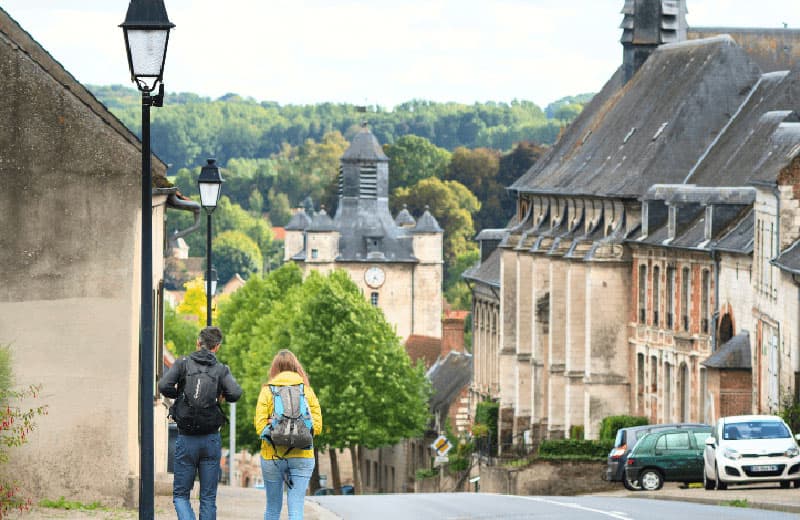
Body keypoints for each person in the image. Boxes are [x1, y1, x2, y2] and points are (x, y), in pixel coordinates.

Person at [158, 326, 242, 520]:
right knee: (208, 498)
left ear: (198, 342)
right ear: (217, 347)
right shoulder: (221, 370)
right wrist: (220, 395)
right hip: (211, 439)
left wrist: (179, 395)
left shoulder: (183, 364)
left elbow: (163, 386)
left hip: (186, 438)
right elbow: (235, 393)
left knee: (180, 495)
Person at [254, 350, 322, 520]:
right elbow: (318, 427)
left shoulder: (267, 391)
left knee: (272, 508)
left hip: (272, 456)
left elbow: (260, 427)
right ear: (296, 367)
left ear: (274, 369)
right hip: (303, 454)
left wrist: (273, 423)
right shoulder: (307, 391)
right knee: (296, 507)